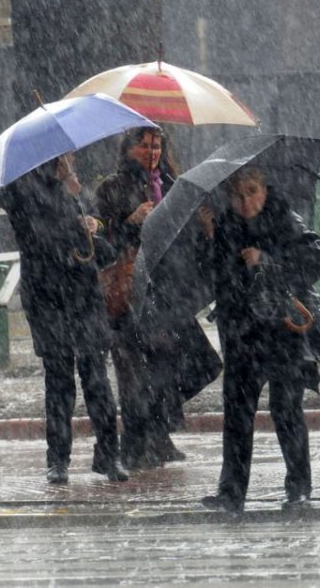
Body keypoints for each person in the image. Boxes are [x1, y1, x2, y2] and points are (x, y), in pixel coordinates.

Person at [199, 165, 320, 514]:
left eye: (252, 191)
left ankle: (299, 486)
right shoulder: (224, 226)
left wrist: (267, 260)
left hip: (281, 333)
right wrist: (211, 241)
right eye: (238, 195)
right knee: (238, 413)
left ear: (265, 189)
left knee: (286, 409)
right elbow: (213, 278)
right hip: (242, 333)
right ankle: (231, 492)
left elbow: (313, 262)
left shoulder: (285, 219)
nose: (246, 202)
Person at [0, 155, 129, 484]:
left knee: (96, 379)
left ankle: (110, 455)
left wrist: (92, 224)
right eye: (64, 156)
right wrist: (72, 204)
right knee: (59, 382)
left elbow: (88, 236)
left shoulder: (72, 188)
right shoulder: (22, 190)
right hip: (48, 299)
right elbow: (44, 238)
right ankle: (58, 460)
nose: (70, 160)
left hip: (83, 298)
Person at [96, 128, 221, 470]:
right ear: (128, 148)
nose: (151, 151)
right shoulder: (112, 187)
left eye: (156, 145)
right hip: (130, 294)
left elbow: (185, 241)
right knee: (135, 373)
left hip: (167, 292)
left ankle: (160, 433)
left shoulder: (174, 187)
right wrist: (130, 221)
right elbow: (104, 240)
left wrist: (205, 229)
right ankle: (136, 445)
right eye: (144, 145)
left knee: (184, 365)